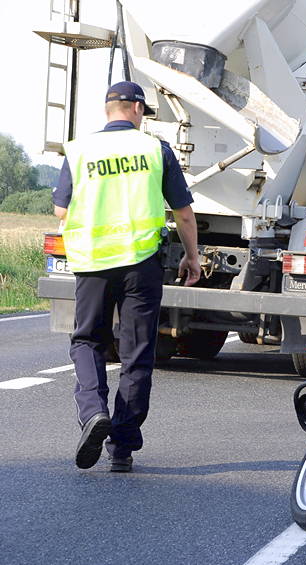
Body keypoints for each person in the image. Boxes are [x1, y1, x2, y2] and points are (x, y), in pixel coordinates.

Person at [53, 81, 201, 473]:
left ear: (108, 110)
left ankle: (92, 413)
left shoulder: (80, 150)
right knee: (136, 352)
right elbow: (183, 213)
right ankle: (121, 447)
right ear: (136, 109)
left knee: (87, 341)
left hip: (93, 263)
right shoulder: (155, 150)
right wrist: (192, 257)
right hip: (142, 261)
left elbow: (61, 211)